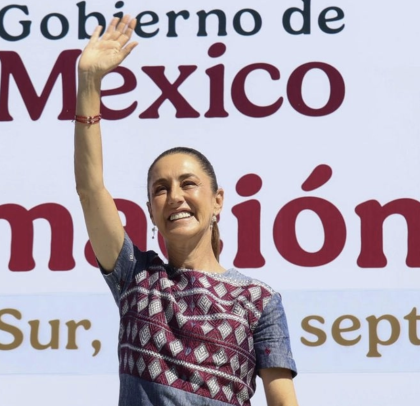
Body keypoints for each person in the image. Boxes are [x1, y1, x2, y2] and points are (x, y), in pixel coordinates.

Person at [74, 16, 299, 406]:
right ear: (151, 211)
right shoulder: (136, 278)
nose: (175, 196)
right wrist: (89, 84)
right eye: (161, 189)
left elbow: (283, 401)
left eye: (188, 183)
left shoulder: (258, 300)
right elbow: (90, 190)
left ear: (217, 200)